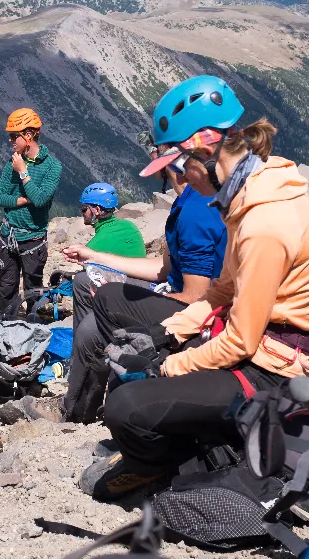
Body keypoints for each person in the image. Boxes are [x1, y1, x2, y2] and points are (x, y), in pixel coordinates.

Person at [79, 75, 309, 500]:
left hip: (268, 369)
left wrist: (165, 366)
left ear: (205, 152)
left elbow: (241, 342)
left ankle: (153, 466)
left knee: (125, 404)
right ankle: (179, 433)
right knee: (138, 368)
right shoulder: (248, 194)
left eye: (178, 168)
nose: (182, 181)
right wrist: (167, 333)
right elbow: (219, 293)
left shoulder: (264, 224)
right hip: (250, 345)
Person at [60, 163, 228, 424]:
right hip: (172, 289)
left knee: (92, 327)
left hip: (193, 308)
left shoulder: (196, 211)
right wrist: (93, 256)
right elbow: (163, 270)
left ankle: (78, 411)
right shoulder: (187, 201)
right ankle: (83, 375)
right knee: (85, 283)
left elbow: (196, 298)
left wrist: (120, 307)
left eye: (157, 151)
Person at [0, 108, 63, 318]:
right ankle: (6, 323)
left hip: (33, 239)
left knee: (33, 288)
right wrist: (23, 200)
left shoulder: (52, 167)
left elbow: (41, 200)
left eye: (14, 136)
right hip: (9, 236)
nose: (10, 140)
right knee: (6, 287)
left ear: (29, 135)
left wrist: (23, 172)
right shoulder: (12, 162)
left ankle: (33, 325)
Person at [80, 182, 147, 259]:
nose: (81, 212)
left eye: (84, 208)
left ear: (97, 210)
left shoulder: (92, 249)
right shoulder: (129, 225)